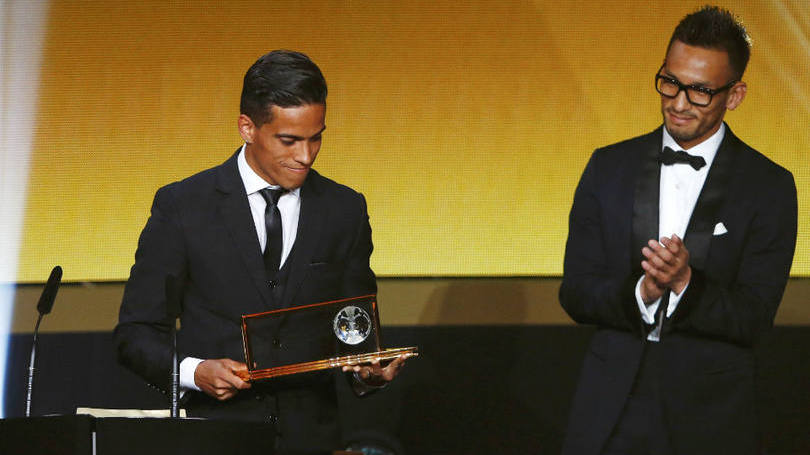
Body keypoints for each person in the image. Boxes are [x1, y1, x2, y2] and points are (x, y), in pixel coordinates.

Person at [114, 50, 405, 454]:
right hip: (216, 439)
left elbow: (354, 329)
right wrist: (194, 372)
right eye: (289, 140)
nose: (306, 156)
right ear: (247, 128)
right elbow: (135, 333)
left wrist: (365, 373)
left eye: (316, 137)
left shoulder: (344, 209)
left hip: (311, 442)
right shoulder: (184, 206)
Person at [559, 6, 797, 455]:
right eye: (670, 82)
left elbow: (754, 316)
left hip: (711, 415)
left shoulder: (768, 186)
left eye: (700, 91)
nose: (679, 102)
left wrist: (686, 284)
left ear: (735, 95)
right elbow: (576, 292)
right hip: (610, 407)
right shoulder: (608, 167)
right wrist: (642, 292)